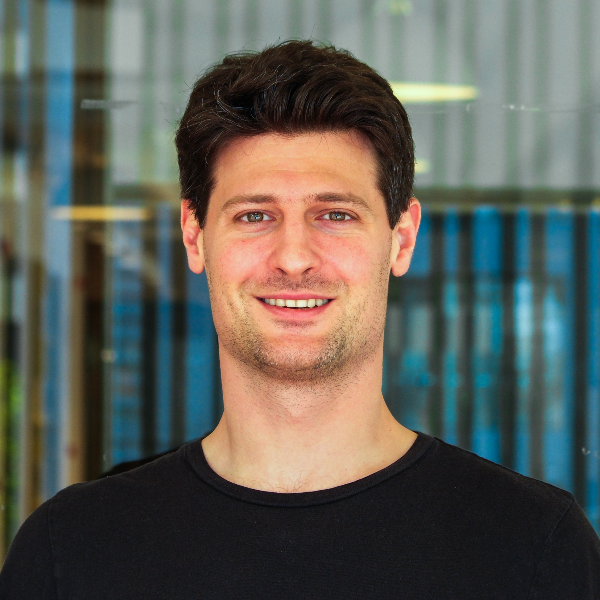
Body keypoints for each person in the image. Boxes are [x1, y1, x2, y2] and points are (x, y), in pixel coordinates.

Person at [1, 40, 599, 599]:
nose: (293, 258)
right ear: (194, 235)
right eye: (254, 216)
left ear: (401, 238)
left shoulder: (534, 549)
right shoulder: (71, 552)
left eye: (335, 215)